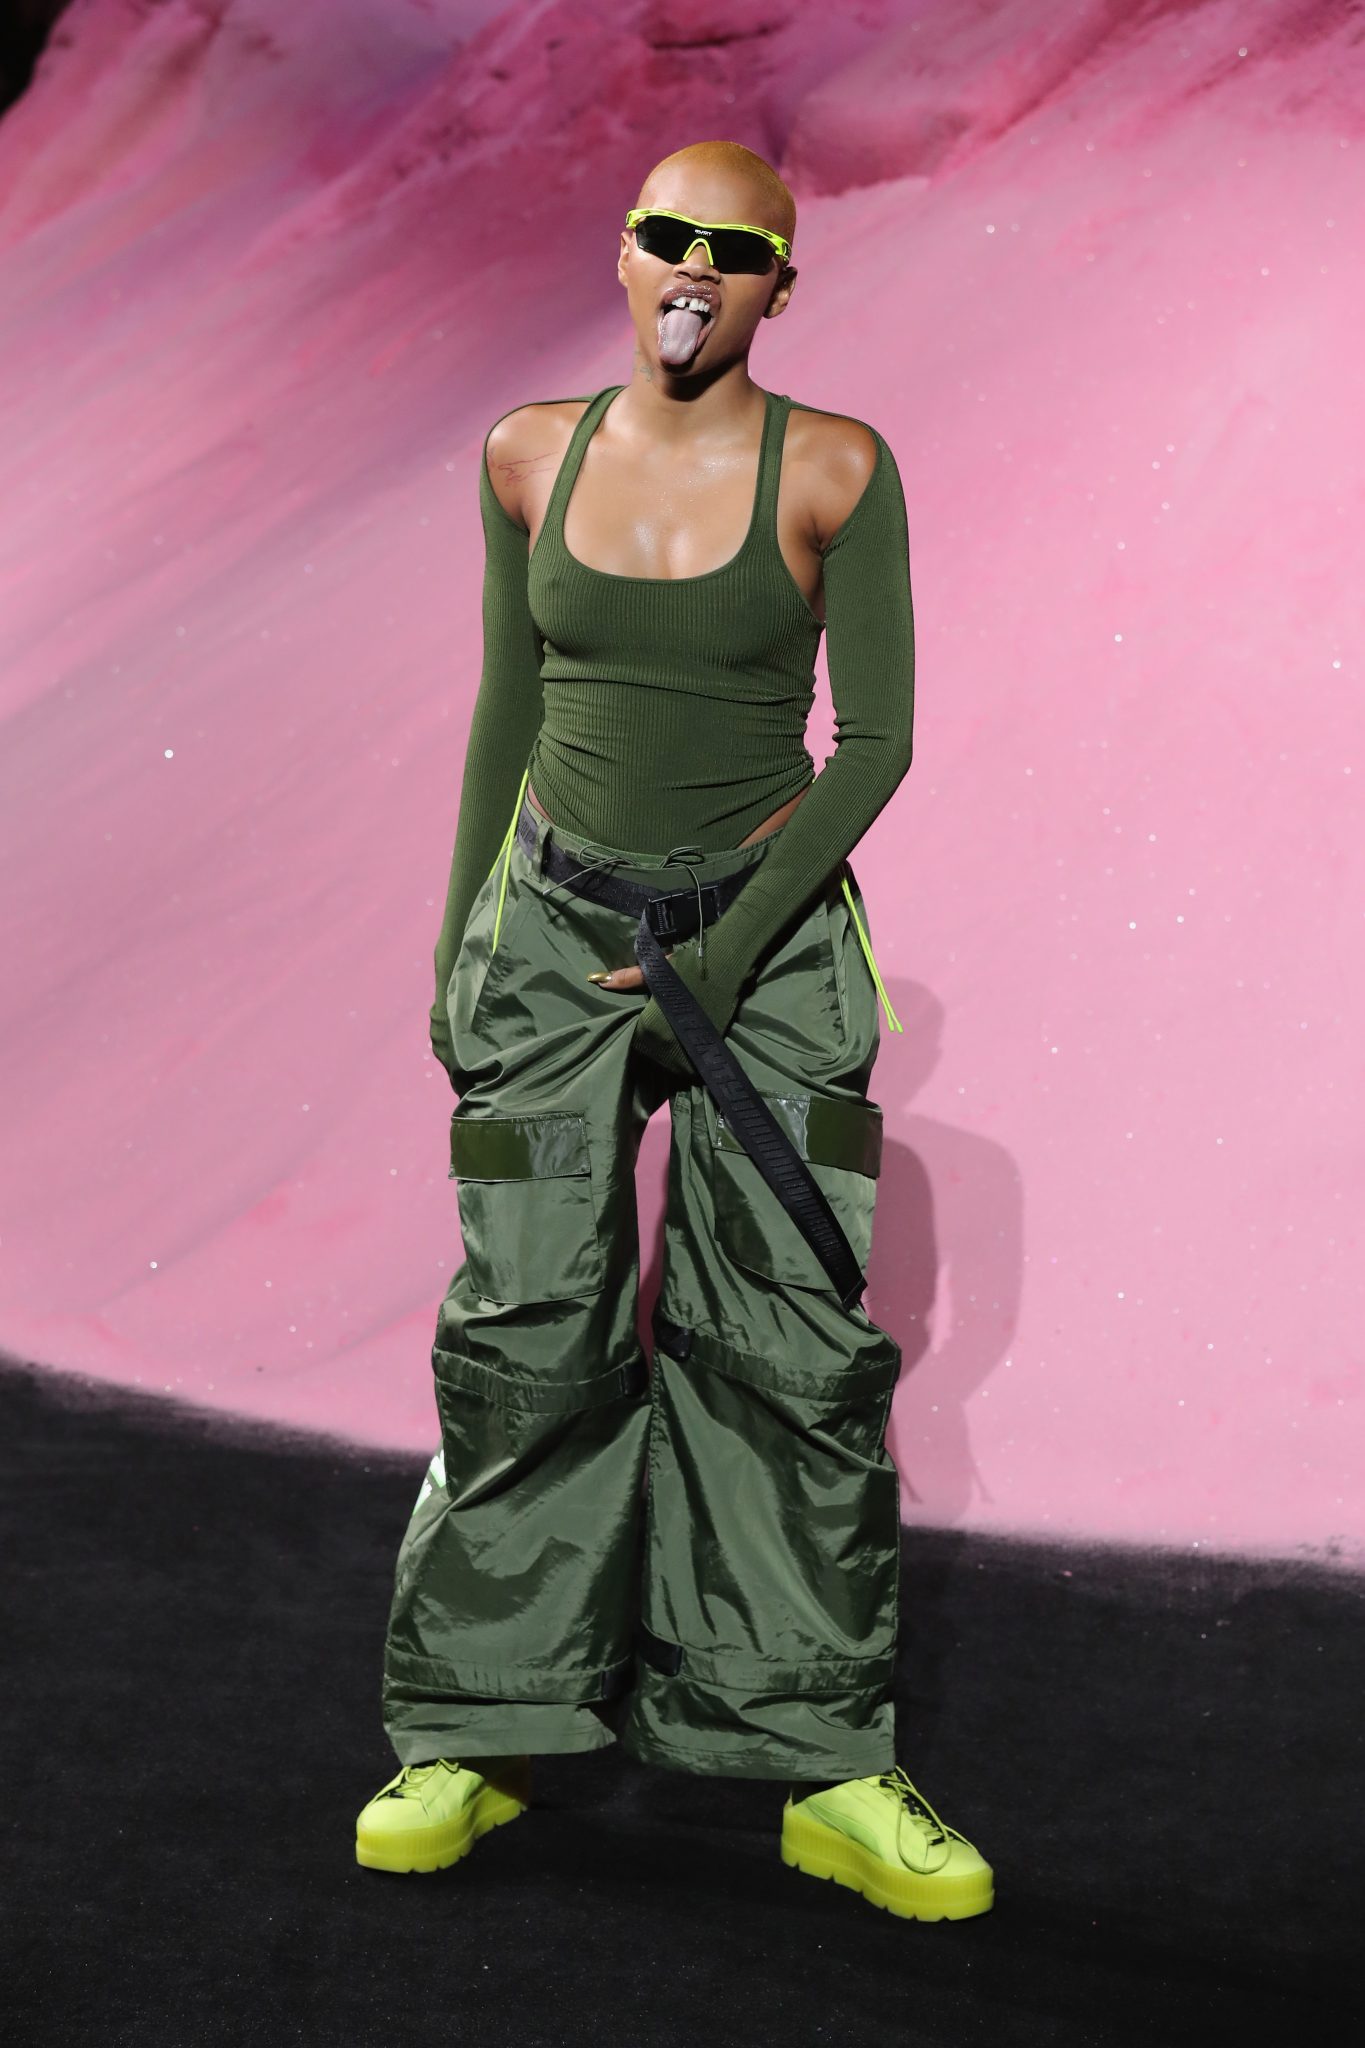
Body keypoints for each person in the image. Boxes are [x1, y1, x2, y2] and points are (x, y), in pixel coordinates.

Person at [355, 139, 993, 1923]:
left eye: (733, 246)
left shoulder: (836, 468)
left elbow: (875, 742)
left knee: (785, 1343)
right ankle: (475, 1727)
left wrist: (722, 955)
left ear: (780, 283)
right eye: (664, 234)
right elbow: (509, 702)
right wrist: (461, 937)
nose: (693, 266)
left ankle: (821, 1761)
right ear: (622, 257)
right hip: (552, 934)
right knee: (524, 1323)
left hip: (760, 950)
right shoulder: (525, 454)